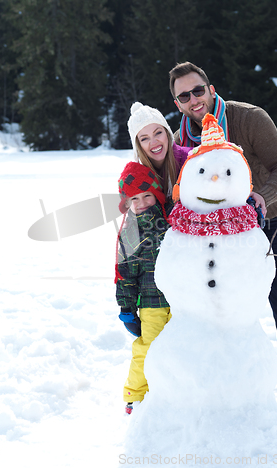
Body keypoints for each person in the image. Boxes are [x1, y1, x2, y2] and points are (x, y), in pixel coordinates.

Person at [168, 61, 277, 418]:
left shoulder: (248, 118)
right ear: (177, 103)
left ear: (211, 88)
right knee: (226, 308)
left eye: (197, 90)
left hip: (276, 219)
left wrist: (262, 196)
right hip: (225, 234)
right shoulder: (181, 140)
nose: (193, 99)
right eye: (183, 96)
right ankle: (232, 390)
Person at [115, 161, 172, 415]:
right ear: (126, 203)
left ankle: (171, 390)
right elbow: (125, 275)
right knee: (147, 348)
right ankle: (135, 395)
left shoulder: (173, 220)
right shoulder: (130, 232)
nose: (141, 203)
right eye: (134, 198)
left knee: (179, 347)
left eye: (147, 195)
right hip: (151, 304)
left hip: (181, 300)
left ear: (157, 194)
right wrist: (127, 309)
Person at [127, 102, 191, 199]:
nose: (153, 142)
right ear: (138, 146)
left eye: (158, 133)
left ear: (167, 133)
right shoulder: (137, 179)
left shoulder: (191, 160)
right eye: (144, 139)